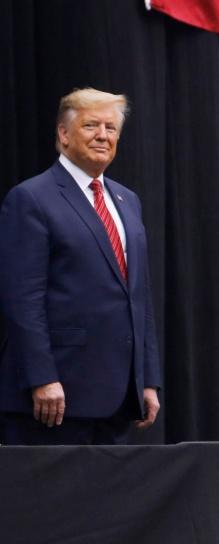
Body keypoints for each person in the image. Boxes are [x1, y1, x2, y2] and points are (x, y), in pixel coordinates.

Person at [0, 88, 161, 445]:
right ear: (63, 134)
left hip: (118, 398)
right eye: (91, 125)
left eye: (111, 127)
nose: (103, 135)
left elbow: (139, 297)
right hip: (54, 399)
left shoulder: (127, 200)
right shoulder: (31, 199)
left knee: (111, 502)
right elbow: (22, 300)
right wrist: (41, 377)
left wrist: (147, 379)